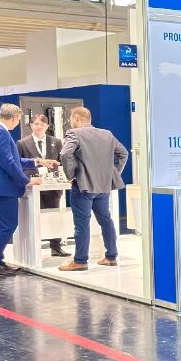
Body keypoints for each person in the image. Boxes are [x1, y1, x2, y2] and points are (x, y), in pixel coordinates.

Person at [0, 104, 50, 276]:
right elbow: (9, 163)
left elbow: (11, 160)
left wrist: (37, 161)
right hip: (3, 188)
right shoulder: (0, 132)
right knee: (8, 225)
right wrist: (26, 180)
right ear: (15, 118)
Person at [57, 107, 128, 272]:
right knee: (106, 220)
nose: (71, 122)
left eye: (71, 119)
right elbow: (123, 153)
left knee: (81, 224)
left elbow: (65, 154)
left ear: (76, 117)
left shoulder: (74, 134)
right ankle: (111, 257)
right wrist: (112, 174)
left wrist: (71, 175)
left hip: (83, 187)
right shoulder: (107, 134)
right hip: (103, 186)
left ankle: (80, 261)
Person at [17, 114, 68, 257]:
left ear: (47, 126)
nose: (39, 126)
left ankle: (56, 247)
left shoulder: (56, 142)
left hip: (52, 185)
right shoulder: (22, 143)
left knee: (53, 216)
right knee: (31, 216)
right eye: (36, 124)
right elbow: (18, 162)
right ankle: (32, 247)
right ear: (31, 125)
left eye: (42, 124)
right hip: (32, 184)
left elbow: (62, 161)